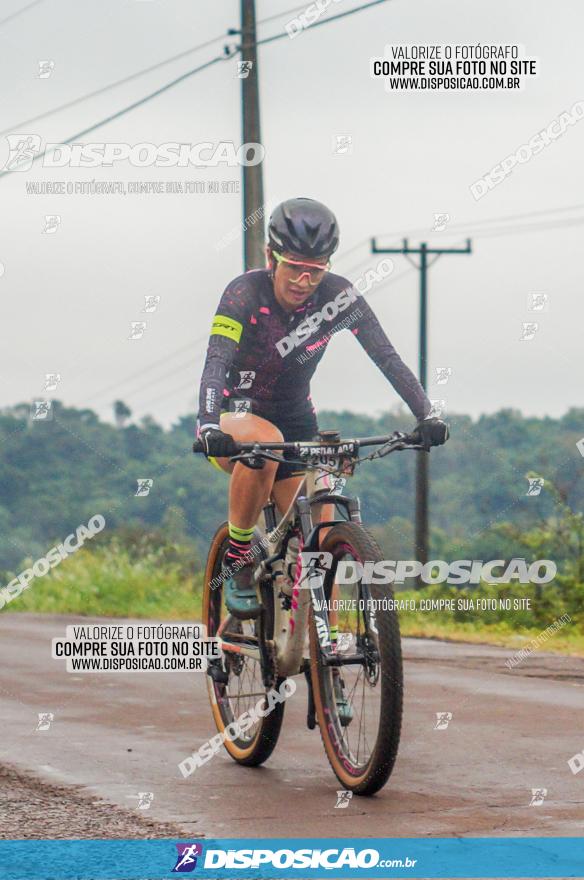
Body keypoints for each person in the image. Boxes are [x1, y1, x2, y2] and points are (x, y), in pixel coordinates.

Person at [196, 197, 448, 619]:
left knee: (318, 542)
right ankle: (239, 557)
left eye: (316, 269)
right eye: (293, 266)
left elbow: (386, 356)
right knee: (264, 443)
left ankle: (320, 651)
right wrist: (207, 424)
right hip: (236, 417)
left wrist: (427, 414)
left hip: (297, 420)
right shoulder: (243, 293)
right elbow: (216, 361)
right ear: (270, 257)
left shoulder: (338, 297)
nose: (303, 280)